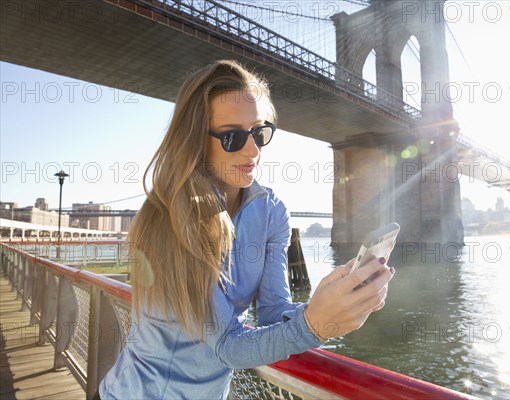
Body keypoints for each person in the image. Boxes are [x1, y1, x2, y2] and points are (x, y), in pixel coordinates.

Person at [98, 60, 395, 399]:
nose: (252, 150)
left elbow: (273, 310)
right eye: (232, 137)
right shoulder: (170, 217)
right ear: (196, 140)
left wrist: (334, 301)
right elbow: (227, 345)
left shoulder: (271, 213)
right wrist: (314, 325)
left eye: (259, 132)